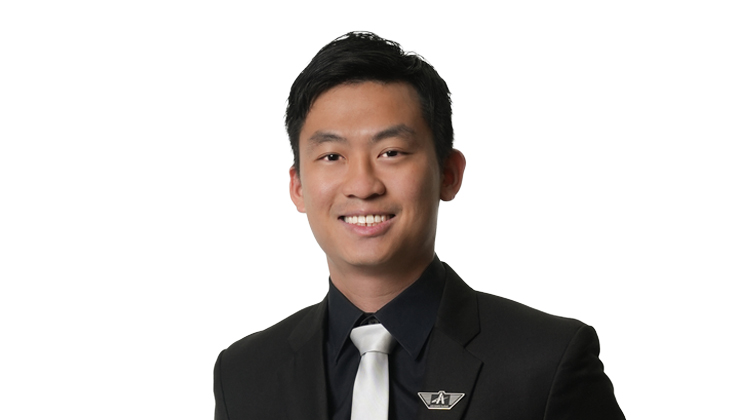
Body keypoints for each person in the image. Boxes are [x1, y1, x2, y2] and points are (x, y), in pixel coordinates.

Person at [213, 32, 625, 420]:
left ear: (449, 174)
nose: (363, 186)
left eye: (391, 152)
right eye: (332, 156)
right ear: (298, 187)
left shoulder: (546, 362)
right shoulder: (244, 375)